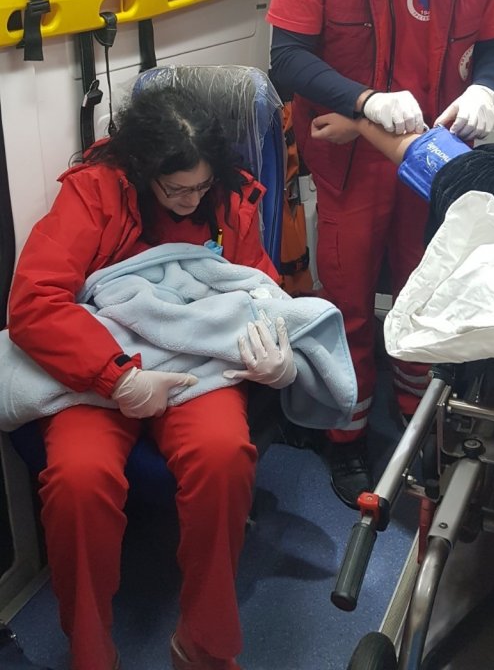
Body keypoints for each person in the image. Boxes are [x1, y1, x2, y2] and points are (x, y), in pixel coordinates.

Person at [7, 82, 295, 670]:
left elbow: (257, 285)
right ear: (142, 169)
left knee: (224, 457)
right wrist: (119, 379)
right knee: (78, 481)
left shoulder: (229, 196)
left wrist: (281, 352)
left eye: (201, 187)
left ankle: (203, 643)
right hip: (103, 358)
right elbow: (34, 301)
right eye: (176, 190)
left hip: (194, 358)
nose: (191, 201)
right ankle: (90, 651)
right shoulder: (94, 192)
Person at [267, 0, 494, 507]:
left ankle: (419, 430)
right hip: (349, 160)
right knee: (347, 303)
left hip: (436, 155)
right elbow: (287, 58)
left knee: (426, 295)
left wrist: (487, 87)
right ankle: (346, 437)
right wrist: (365, 100)